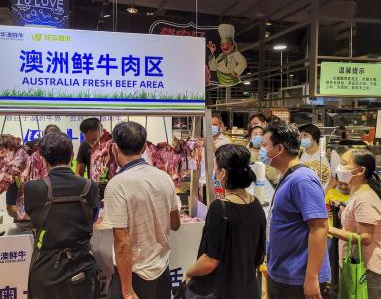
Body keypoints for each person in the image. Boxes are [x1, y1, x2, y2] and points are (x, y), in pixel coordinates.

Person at [104, 122, 181, 299]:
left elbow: (122, 244)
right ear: (145, 147)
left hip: (135, 276)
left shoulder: (117, 184)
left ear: (114, 147)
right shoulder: (164, 177)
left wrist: (127, 290)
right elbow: (175, 224)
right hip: (162, 271)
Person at [24, 132, 100, 299]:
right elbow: (93, 218)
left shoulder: (32, 188)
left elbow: (31, 216)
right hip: (82, 269)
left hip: (46, 271)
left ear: (43, 158)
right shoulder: (90, 187)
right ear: (72, 155)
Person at [185, 144, 266, 299]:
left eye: (216, 168)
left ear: (223, 173)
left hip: (222, 291)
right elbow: (259, 255)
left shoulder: (219, 207)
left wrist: (188, 272)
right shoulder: (256, 204)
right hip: (248, 289)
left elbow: (210, 261)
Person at [261, 121, 330, 299]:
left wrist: (312, 278)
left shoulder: (302, 180)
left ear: (279, 149)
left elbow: (320, 227)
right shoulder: (288, 175)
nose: (262, 151)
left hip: (298, 278)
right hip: (285, 271)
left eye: (265, 146)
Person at [329, 150, 381, 299]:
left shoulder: (365, 199)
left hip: (367, 271)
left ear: (360, 170)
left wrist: (329, 229)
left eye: (344, 164)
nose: (339, 168)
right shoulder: (356, 194)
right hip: (353, 265)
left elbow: (365, 238)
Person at [6, 124, 61, 221]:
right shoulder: (21, 173)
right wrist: (30, 218)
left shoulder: (59, 175)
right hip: (24, 225)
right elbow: (11, 208)